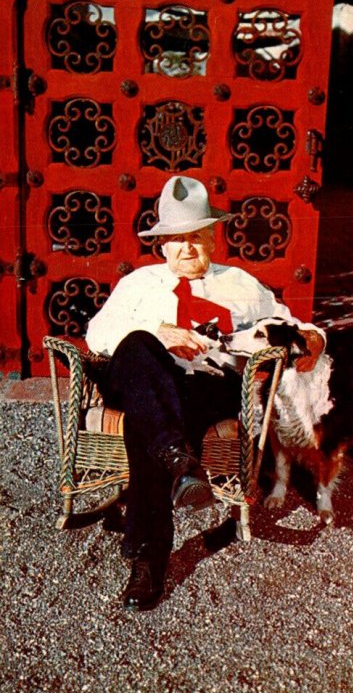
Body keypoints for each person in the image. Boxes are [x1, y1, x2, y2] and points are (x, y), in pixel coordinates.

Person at [86, 175, 325, 612]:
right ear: (162, 245)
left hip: (205, 386)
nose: (187, 248)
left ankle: (149, 550)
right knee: (138, 347)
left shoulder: (240, 283)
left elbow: (292, 324)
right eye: (177, 240)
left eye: (196, 237)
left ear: (214, 238)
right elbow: (96, 334)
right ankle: (178, 460)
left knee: (148, 422)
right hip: (138, 377)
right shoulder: (137, 284)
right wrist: (156, 332)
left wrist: (316, 340)